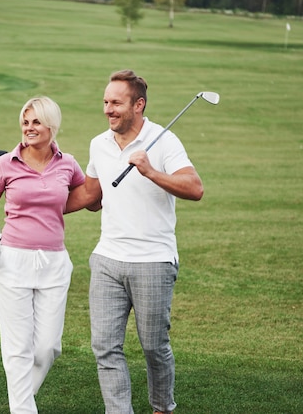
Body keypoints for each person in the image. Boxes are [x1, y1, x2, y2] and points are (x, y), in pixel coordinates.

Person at [66, 69, 204, 414]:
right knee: (104, 347)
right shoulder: (99, 144)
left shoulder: (164, 141)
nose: (108, 109)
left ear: (138, 105)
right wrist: (35, 204)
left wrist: (151, 172)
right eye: (105, 102)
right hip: (107, 260)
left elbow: (195, 188)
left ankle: (162, 407)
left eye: (116, 103)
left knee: (154, 347)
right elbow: (91, 195)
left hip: (153, 261)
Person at [0, 96, 86, 414]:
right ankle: (23, 409)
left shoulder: (68, 163)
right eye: (25, 122)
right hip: (12, 259)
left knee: (48, 347)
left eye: (36, 122)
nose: (29, 128)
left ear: (51, 125)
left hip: (54, 262)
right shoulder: (5, 164)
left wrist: (102, 196)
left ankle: (22, 400)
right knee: (17, 348)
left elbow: (86, 194)